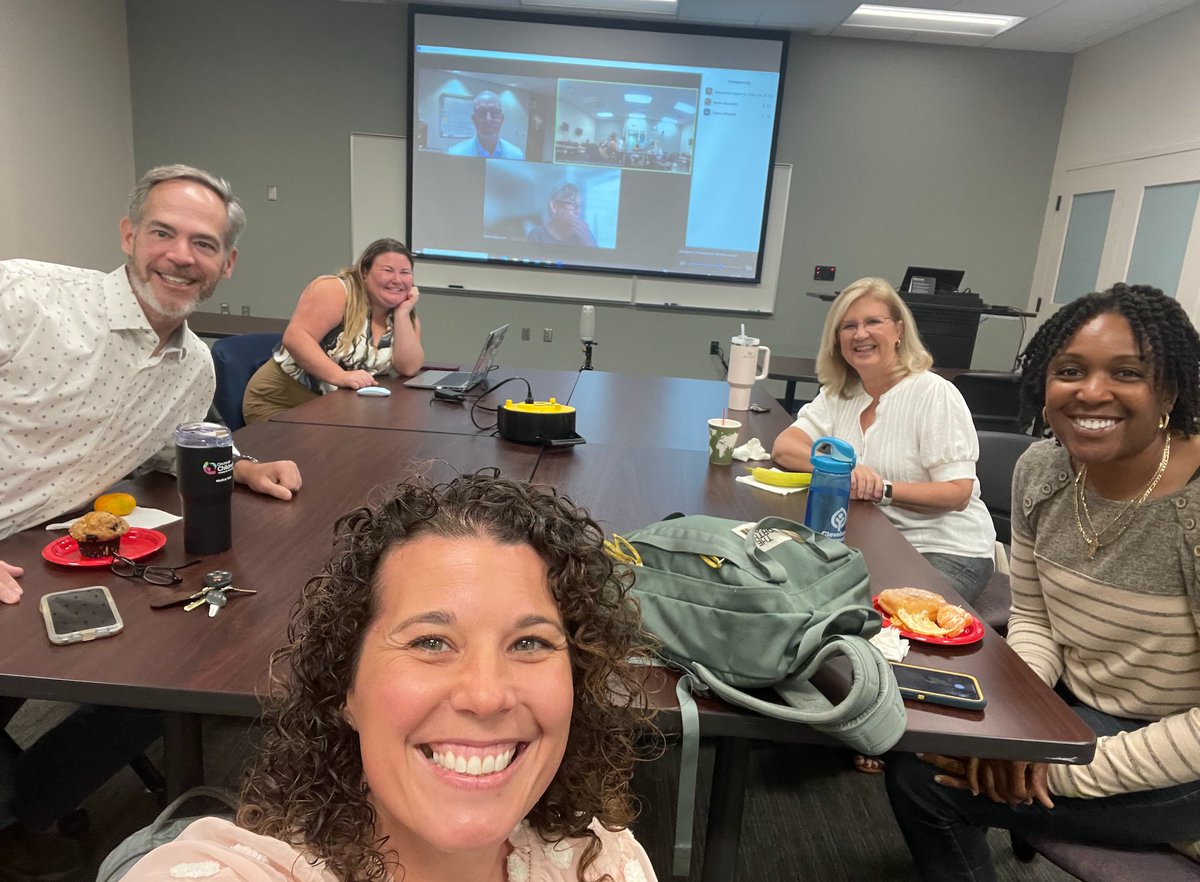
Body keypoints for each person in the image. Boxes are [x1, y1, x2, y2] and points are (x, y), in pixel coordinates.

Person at [123, 474, 662, 882]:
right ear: (345, 688)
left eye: (530, 643)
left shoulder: (604, 859)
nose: (486, 694)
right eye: (431, 642)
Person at [0, 163, 302, 878]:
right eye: (163, 232)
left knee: (172, 676)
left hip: (41, 557)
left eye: (203, 244)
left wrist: (246, 465)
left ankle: (23, 814)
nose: (180, 256)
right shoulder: (23, 297)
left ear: (225, 265)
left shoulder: (193, 365)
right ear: (130, 233)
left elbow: (175, 439)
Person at [885, 283, 1200, 879]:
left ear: (1172, 387)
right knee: (922, 751)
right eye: (1070, 370)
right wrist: (1016, 734)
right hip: (1081, 713)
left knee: (933, 784)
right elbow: (1034, 619)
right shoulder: (1042, 471)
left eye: (1127, 372)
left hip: (1184, 753)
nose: (1092, 392)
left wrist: (1058, 768)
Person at [772, 277, 996, 603]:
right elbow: (785, 448)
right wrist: (842, 473)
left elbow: (957, 493)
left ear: (899, 330)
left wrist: (882, 489)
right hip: (873, 540)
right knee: (791, 594)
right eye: (848, 326)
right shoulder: (840, 393)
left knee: (882, 621)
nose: (860, 334)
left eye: (873, 322)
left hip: (945, 549)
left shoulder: (932, 393)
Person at [241, 238, 424, 423]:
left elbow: (408, 368)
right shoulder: (336, 290)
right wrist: (341, 376)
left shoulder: (404, 315)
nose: (397, 280)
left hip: (335, 408)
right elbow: (296, 338)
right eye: (387, 270)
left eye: (405, 272)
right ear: (364, 272)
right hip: (282, 402)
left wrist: (402, 314)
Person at [446, 91, 525, 159]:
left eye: (494, 112)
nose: (488, 119)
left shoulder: (516, 155)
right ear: (474, 119)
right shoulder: (455, 154)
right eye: (481, 113)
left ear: (502, 118)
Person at [526, 182, 598, 248]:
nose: (578, 212)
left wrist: (588, 241)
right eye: (572, 204)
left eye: (579, 206)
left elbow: (597, 260)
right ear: (554, 206)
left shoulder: (585, 234)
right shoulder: (537, 235)